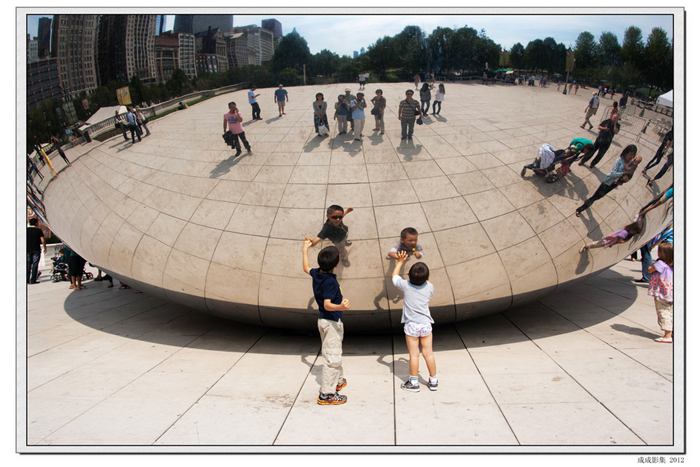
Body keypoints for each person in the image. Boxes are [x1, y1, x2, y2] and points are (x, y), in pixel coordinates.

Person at [302, 241, 351, 405]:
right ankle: (327, 395)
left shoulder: (317, 273)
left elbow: (305, 267)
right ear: (336, 264)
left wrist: (305, 249)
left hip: (324, 321)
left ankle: (338, 381)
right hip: (330, 322)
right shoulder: (330, 281)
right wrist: (341, 306)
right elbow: (327, 304)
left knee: (334, 352)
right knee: (332, 357)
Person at [392, 250, 438, 392]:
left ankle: (413, 382)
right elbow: (425, 282)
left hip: (411, 325)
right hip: (425, 324)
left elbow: (394, 277)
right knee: (428, 353)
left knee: (414, 355)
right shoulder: (430, 287)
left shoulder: (406, 285)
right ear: (427, 277)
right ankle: (433, 380)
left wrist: (399, 262)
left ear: (409, 276)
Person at [576, 145, 637, 216]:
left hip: (614, 184)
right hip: (607, 183)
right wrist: (623, 173)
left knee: (597, 197)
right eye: (630, 154)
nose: (631, 157)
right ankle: (579, 209)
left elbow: (629, 174)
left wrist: (624, 179)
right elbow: (612, 174)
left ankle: (586, 203)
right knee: (594, 198)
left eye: (633, 155)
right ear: (626, 152)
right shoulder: (619, 161)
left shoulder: (629, 163)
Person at [648, 242, 673, 343]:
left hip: (662, 294)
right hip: (670, 292)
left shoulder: (660, 264)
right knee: (670, 312)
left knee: (663, 313)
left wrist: (653, 265)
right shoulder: (672, 264)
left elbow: (649, 270)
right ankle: (672, 332)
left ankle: (667, 336)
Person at [579, 219, 643, 253]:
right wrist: (609, 242)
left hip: (609, 240)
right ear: (633, 229)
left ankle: (587, 247)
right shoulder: (625, 232)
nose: (634, 233)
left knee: (597, 245)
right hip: (608, 240)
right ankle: (584, 246)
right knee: (596, 243)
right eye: (635, 231)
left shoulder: (626, 230)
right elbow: (616, 238)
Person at [27, 218, 46, 284]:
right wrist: (45, 248)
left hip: (27, 250)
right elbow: (42, 240)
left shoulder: (26, 230)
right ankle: (33, 280)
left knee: (28, 265)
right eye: (37, 222)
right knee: (35, 264)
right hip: (36, 250)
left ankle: (26, 280)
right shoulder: (38, 230)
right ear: (36, 223)